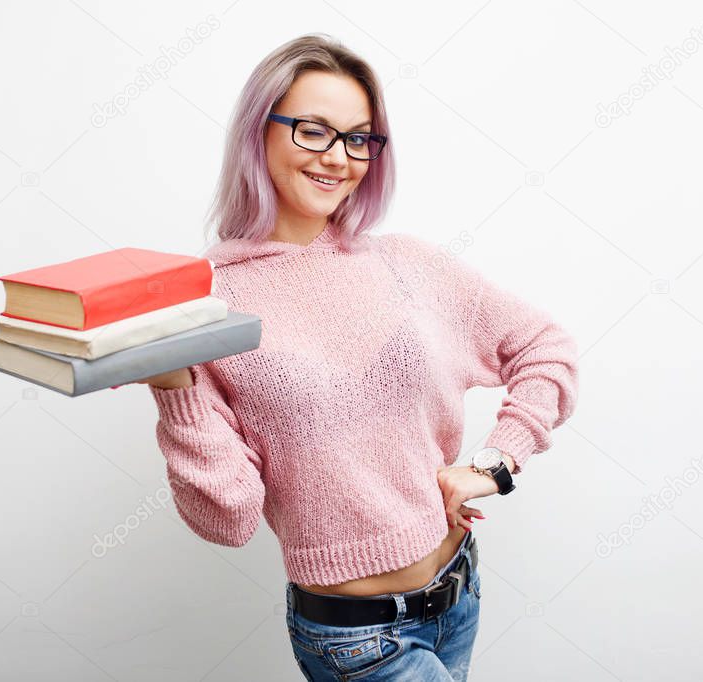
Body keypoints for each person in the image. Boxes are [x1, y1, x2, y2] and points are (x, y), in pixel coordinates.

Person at [135, 33, 580, 681]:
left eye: (358, 137)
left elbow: (546, 348)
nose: (338, 158)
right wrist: (173, 385)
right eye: (313, 131)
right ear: (258, 133)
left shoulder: (405, 264)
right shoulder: (205, 304)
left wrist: (494, 463)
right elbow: (226, 520)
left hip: (458, 590)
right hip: (360, 643)